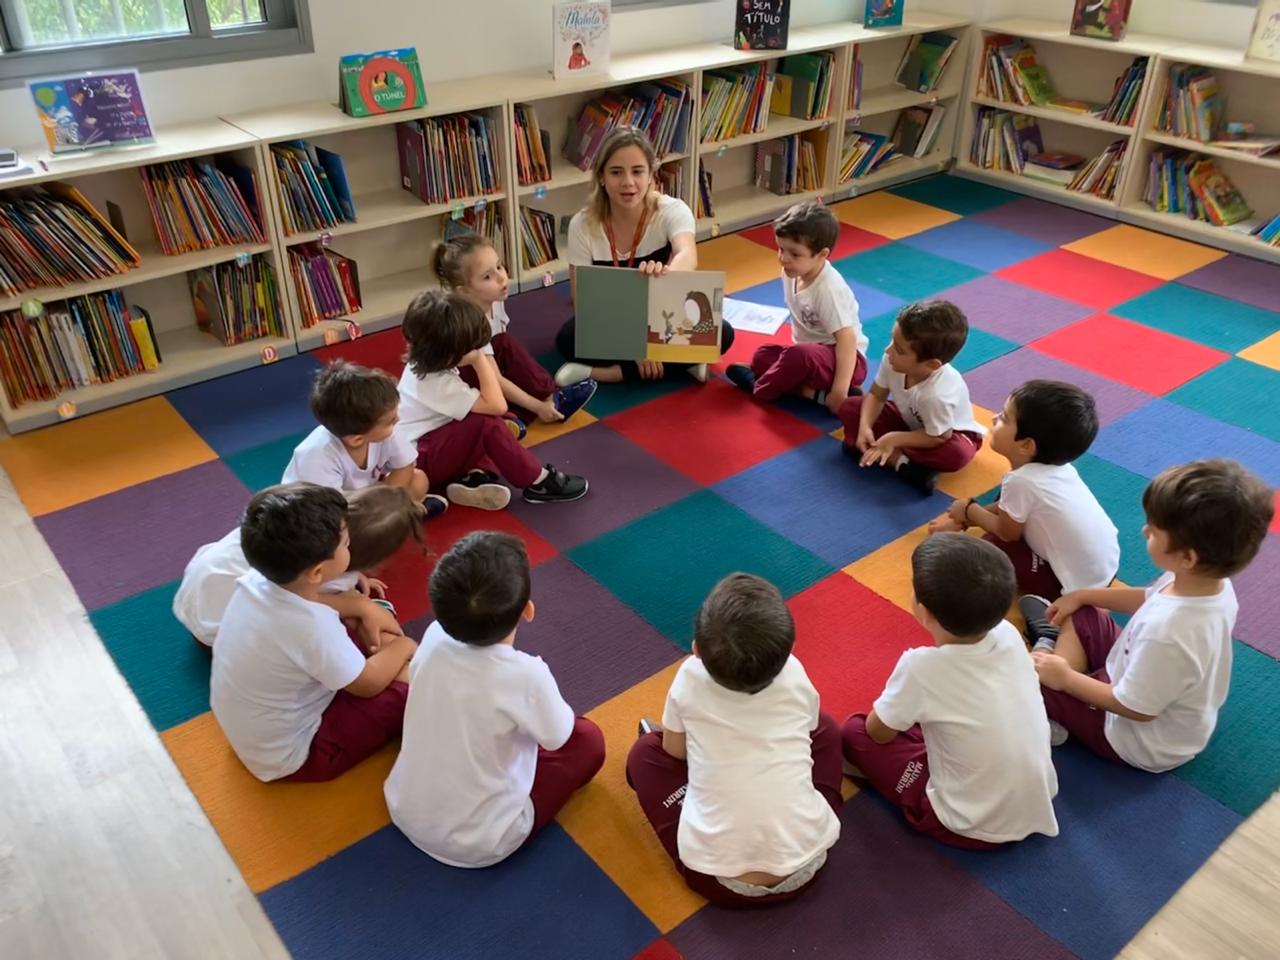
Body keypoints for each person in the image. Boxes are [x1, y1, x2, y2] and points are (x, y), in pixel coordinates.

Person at [1026, 459, 1273, 770]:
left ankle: (1052, 705)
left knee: (1023, 680)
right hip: (1131, 675)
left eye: (1154, 531)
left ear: (1187, 557)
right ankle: (1056, 671)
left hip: (1133, 736)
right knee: (1084, 612)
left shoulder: (1171, 633)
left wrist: (1065, 678)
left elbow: (1136, 708)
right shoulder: (1206, 582)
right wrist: (1082, 595)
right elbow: (1147, 598)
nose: (1144, 531)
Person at [385, 532, 605, 866]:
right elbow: (560, 737)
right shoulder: (527, 675)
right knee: (588, 740)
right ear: (527, 610)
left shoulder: (433, 637)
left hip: (403, 806)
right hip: (483, 842)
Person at [626, 573, 843, 906]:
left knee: (645, 753)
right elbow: (811, 728)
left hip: (716, 881)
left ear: (696, 649)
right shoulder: (796, 673)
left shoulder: (689, 678)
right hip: (811, 859)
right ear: (789, 651)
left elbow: (674, 752)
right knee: (826, 726)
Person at [842, 534, 1059, 848]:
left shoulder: (920, 667)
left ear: (925, 611)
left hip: (969, 824)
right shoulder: (1009, 633)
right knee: (933, 717)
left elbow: (877, 733)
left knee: (854, 732)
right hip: (1038, 798)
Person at [210, 484, 417, 782]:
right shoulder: (310, 627)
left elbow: (319, 606)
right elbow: (367, 685)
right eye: (346, 544)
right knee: (412, 677)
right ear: (318, 572)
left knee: (363, 627)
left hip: (253, 732)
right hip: (299, 754)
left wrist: (359, 606)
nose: (350, 548)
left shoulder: (257, 580)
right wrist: (406, 646)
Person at [554, 126, 735, 386]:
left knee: (723, 333)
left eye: (638, 171)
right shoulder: (582, 225)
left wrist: (666, 276)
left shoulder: (672, 210)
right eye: (616, 172)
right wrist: (634, 346)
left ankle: (605, 374)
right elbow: (581, 301)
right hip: (611, 318)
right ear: (602, 177)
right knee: (568, 338)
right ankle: (685, 363)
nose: (628, 182)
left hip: (664, 316)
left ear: (651, 175)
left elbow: (687, 254)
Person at [395, 289, 588, 510]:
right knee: (488, 424)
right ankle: (538, 481)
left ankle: (475, 478)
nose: (475, 350)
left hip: (429, 443)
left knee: (489, 422)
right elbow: (497, 406)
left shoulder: (424, 365)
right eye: (470, 347)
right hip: (419, 460)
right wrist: (478, 359)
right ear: (451, 354)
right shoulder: (437, 383)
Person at [930, 380, 1118, 601]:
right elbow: (1006, 507)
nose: (993, 418)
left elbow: (1007, 533)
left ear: (1026, 445)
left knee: (990, 548)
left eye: (1004, 418)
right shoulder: (1058, 469)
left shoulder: (1022, 481)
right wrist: (965, 519)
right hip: (1105, 568)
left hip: (1068, 585)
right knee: (1007, 501)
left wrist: (970, 510)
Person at [174, 484, 425, 647]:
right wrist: (358, 605)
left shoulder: (308, 519)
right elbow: (301, 603)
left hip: (199, 594)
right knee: (345, 629)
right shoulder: (318, 567)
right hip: (219, 634)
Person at [433, 232, 596, 431]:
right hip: (463, 386)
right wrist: (537, 407)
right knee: (502, 352)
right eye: (487, 276)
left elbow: (502, 361)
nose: (502, 277)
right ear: (464, 291)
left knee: (504, 343)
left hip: (485, 371)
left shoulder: (493, 301)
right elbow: (494, 378)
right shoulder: (470, 323)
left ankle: (550, 398)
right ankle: (514, 418)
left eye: (499, 266)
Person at [726, 201, 867, 412]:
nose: (784, 259)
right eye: (781, 249)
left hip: (845, 361)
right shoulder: (792, 273)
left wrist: (840, 391)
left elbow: (847, 341)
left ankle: (760, 387)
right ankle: (812, 394)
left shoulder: (828, 288)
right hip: (809, 359)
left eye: (795, 254)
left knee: (797, 356)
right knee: (762, 355)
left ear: (822, 255)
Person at [839, 300, 984, 493]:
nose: (888, 350)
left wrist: (892, 439)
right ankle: (901, 462)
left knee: (956, 454)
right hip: (912, 424)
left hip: (948, 435)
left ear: (932, 365)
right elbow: (876, 394)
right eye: (892, 340)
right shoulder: (892, 360)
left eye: (899, 350)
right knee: (850, 407)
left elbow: (939, 437)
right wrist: (865, 427)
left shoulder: (937, 394)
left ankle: (887, 454)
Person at [283, 359, 444, 516]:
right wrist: (379, 507)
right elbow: (331, 509)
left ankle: (395, 515)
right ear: (357, 440)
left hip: (362, 496)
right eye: (390, 421)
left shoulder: (383, 432)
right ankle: (400, 515)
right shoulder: (317, 456)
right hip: (317, 509)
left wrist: (385, 500)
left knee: (418, 480)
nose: (398, 420)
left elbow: (405, 466)